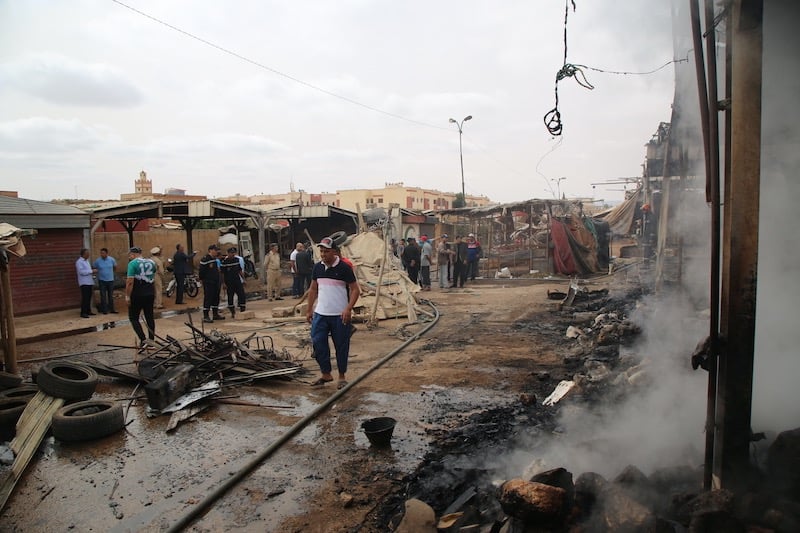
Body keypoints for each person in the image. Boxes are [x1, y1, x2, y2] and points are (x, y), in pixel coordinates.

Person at [306, 235, 361, 390]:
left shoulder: (344, 268)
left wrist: (348, 308)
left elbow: (355, 290)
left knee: (341, 346)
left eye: (326, 251)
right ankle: (326, 373)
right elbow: (313, 289)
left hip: (339, 315)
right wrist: (309, 309)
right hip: (321, 314)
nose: (323, 254)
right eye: (322, 251)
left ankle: (341, 376)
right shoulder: (317, 268)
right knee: (318, 342)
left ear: (334, 252)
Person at [125, 246, 156, 350]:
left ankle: (143, 340)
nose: (129, 257)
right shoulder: (151, 262)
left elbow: (130, 282)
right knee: (149, 317)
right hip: (150, 293)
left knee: (133, 318)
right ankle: (151, 340)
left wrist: (127, 296)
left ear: (133, 254)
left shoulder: (132, 264)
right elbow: (153, 277)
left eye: (130, 255)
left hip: (137, 294)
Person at [199, 244, 225, 323]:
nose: (216, 252)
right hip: (208, 282)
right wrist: (202, 279)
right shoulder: (205, 259)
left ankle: (215, 314)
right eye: (215, 250)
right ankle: (206, 316)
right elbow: (201, 271)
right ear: (210, 250)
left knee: (216, 297)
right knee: (208, 298)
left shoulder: (214, 259)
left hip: (215, 281)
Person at [221, 246, 246, 318]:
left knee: (241, 295)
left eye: (233, 253)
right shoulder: (224, 262)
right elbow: (222, 274)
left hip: (237, 280)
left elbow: (239, 270)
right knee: (230, 297)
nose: (233, 254)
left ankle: (242, 310)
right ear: (228, 253)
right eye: (231, 253)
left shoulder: (236, 260)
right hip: (229, 282)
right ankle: (232, 312)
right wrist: (223, 283)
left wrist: (243, 279)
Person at [93, 247, 118, 314]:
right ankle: (104, 310)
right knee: (103, 295)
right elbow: (94, 267)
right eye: (101, 253)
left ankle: (112, 309)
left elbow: (115, 267)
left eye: (103, 253)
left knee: (110, 295)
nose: (102, 254)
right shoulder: (98, 261)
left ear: (107, 253)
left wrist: (111, 274)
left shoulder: (111, 259)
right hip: (102, 280)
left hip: (110, 280)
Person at [76, 248, 97, 318]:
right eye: (87, 254)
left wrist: (92, 273)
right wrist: (91, 271)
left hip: (89, 282)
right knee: (85, 298)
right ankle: (83, 312)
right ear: (83, 254)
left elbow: (88, 270)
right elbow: (81, 272)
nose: (88, 255)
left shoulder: (87, 261)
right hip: (84, 283)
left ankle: (88, 311)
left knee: (89, 297)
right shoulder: (79, 262)